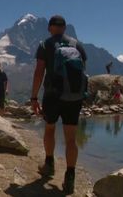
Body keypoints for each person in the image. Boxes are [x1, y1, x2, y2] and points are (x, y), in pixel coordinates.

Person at [31, 15, 87, 194]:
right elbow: (82, 69)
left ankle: (49, 165)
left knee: (49, 128)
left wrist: (34, 97)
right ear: (64, 27)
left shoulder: (45, 45)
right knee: (71, 137)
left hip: (53, 95)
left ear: (49, 28)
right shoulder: (76, 44)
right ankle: (70, 177)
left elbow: (39, 71)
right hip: (74, 96)